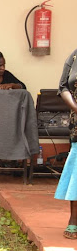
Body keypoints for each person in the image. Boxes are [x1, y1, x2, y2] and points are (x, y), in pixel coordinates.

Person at [54, 48, 77, 240]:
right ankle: (74, 220)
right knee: (76, 174)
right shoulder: (74, 56)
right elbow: (63, 87)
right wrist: (76, 108)